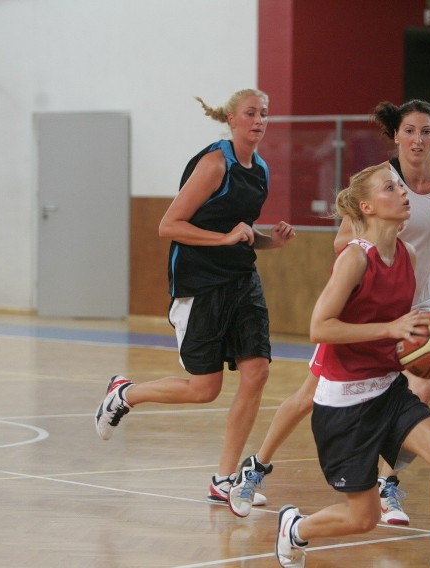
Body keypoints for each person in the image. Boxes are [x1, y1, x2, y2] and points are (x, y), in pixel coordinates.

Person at [228, 99, 430, 523]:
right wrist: (376, 248)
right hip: (369, 307)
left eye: (426, 131)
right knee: (308, 397)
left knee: (423, 389)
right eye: (409, 130)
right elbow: (342, 243)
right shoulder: (379, 185)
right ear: (397, 136)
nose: (418, 139)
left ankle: (389, 485)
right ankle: (256, 467)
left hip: (418, 304)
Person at [94, 89, 296, 505]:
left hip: (242, 281)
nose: (259, 120)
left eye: (265, 114)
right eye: (251, 113)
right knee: (204, 389)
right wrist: (224, 239)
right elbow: (169, 225)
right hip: (200, 284)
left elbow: (241, 235)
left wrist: (269, 242)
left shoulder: (260, 169)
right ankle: (125, 394)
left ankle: (224, 479)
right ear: (232, 119)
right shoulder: (213, 163)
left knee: (257, 372)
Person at [274, 163, 430, 568]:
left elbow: (397, 322)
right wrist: (391, 329)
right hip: (344, 405)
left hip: (387, 390)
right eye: (391, 187)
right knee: (362, 519)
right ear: (367, 206)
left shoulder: (409, 253)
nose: (403, 193)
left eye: (402, 187)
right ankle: (295, 528)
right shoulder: (354, 258)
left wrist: (426, 337)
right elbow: (319, 327)